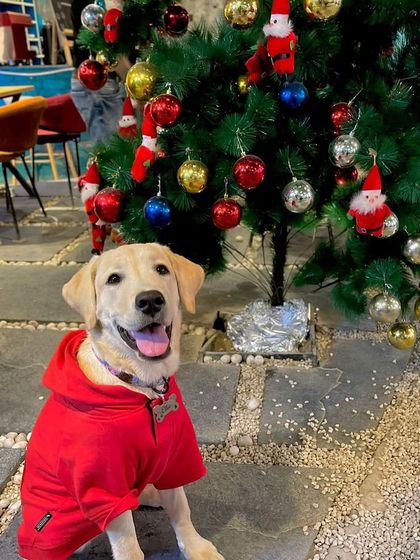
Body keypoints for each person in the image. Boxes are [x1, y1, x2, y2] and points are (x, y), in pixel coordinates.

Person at [70, 0, 130, 144]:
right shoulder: (100, 7)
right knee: (111, 151)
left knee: (111, 150)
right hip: (100, 81)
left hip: (96, 79)